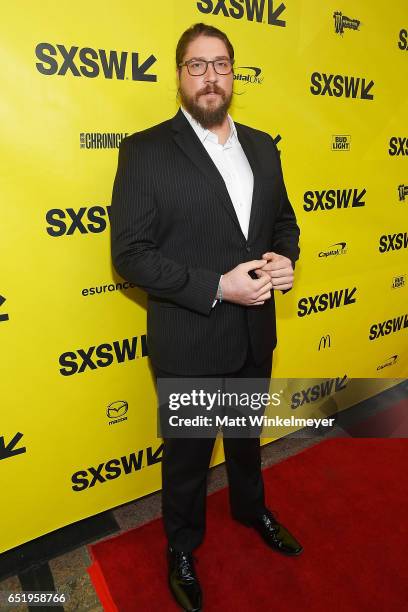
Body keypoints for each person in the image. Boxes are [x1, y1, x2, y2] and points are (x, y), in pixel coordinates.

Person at [111, 22, 302, 612]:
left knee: (246, 440)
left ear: (233, 73)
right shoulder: (144, 151)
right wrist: (216, 287)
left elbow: (284, 224)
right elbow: (131, 254)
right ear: (180, 75)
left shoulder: (265, 146)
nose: (210, 76)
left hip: (253, 335)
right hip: (191, 336)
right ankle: (182, 547)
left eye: (220, 64)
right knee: (189, 455)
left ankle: (251, 509)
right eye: (197, 65)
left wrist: (284, 259)